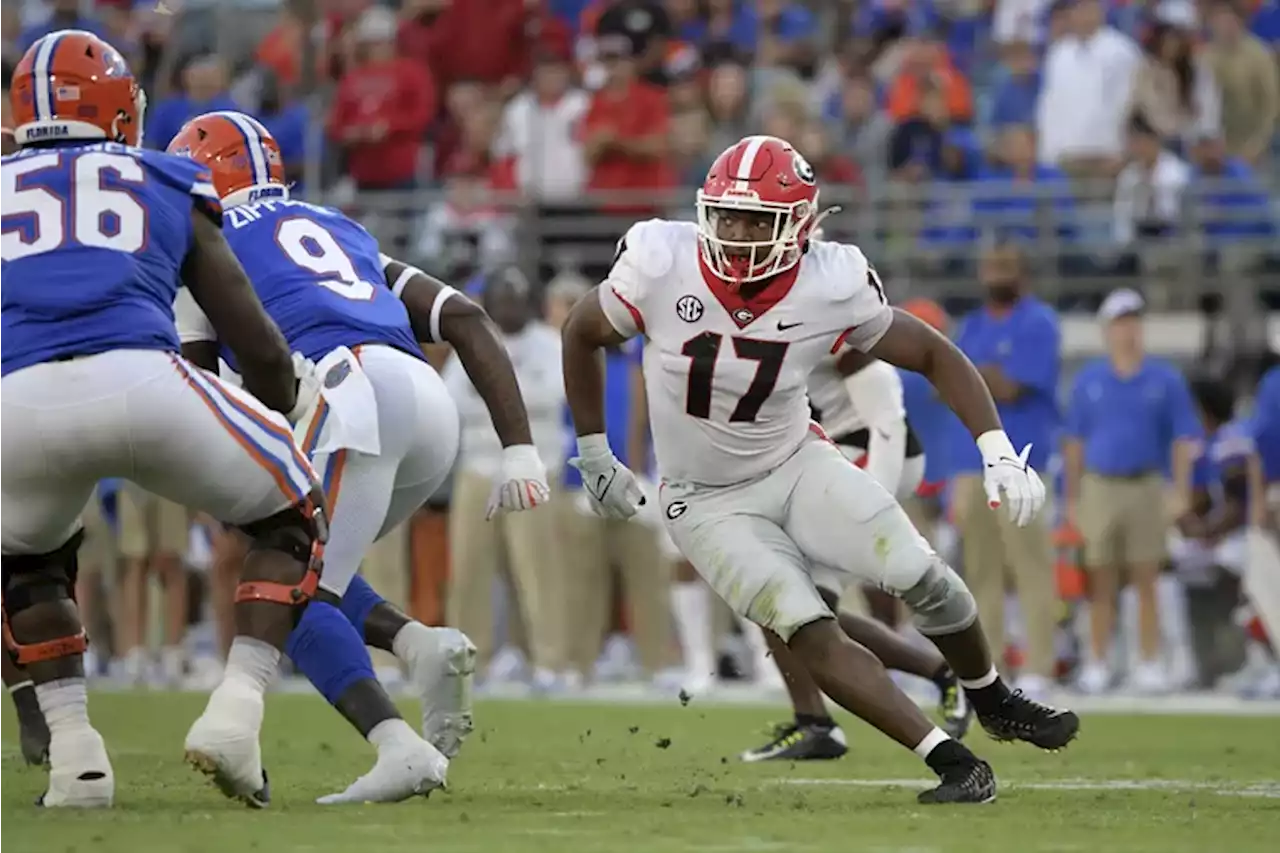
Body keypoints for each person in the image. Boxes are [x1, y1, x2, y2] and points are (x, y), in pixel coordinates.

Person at [561, 134, 1079, 804]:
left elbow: (930, 353)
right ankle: (952, 760)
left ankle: (994, 698)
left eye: (758, 220)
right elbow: (580, 330)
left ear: (800, 224)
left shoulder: (830, 281)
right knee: (805, 625)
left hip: (797, 461)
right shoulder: (662, 261)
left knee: (925, 576)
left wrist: (995, 447)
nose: (738, 233)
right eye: (727, 215)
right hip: (705, 498)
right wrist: (595, 449)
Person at [167, 111, 551, 802]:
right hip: (423, 400)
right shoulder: (341, 227)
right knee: (301, 559)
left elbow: (197, 391)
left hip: (352, 399)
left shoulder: (206, 244)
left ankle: (397, 745)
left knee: (291, 585)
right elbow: (464, 316)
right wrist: (519, 448)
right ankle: (414, 645)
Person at [1, 31, 323, 809]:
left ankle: (77, 755)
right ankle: (236, 714)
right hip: (143, 377)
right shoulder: (159, 174)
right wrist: (282, 399)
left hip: (15, 399)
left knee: (28, 563)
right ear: (118, 110)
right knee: (291, 516)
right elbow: (252, 337)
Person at [738, 350, 972, 763]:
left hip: (864, 451)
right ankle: (938, 673)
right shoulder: (742, 318)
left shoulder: (817, 313)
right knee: (797, 605)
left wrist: (872, 505)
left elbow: (886, 416)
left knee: (776, 590)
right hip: (831, 455)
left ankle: (816, 723)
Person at [1062, 289, 1199, 694]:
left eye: (1134, 322)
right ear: (1108, 330)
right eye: (1121, 323)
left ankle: (1149, 662)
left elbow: (1181, 440)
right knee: (1100, 579)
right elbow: (1074, 444)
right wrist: (1072, 499)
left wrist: (1181, 491)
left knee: (1146, 577)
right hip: (1100, 485)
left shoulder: (1165, 378)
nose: (1129, 331)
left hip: (1146, 484)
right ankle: (1098, 661)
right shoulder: (1090, 380)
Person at [950, 239, 1062, 699]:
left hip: (1022, 459)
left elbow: (1011, 387)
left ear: (1023, 274)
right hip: (973, 461)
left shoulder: (1039, 322)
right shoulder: (972, 325)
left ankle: (1040, 663)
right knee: (980, 569)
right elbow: (955, 386)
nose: (995, 275)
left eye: (1005, 266)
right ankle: (991, 664)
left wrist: (980, 377)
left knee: (1030, 565)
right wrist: (984, 377)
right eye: (990, 266)